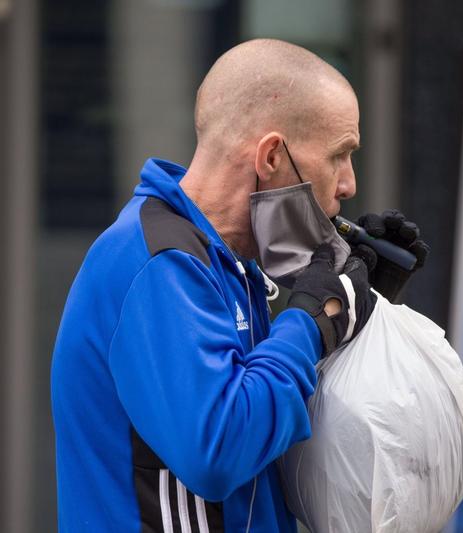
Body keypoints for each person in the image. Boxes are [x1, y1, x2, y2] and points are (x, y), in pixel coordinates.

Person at [51, 38, 428, 533]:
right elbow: (220, 449)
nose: (349, 184)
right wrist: (312, 321)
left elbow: (269, 434)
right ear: (271, 157)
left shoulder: (226, 263)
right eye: (340, 155)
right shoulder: (158, 263)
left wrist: (359, 312)